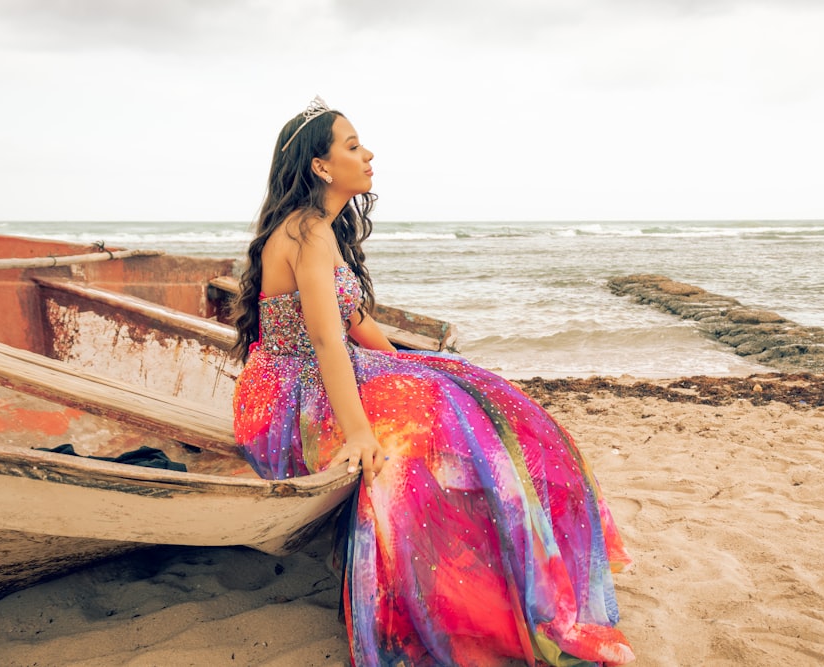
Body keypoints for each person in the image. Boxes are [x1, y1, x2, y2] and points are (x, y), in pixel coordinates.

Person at [231, 96, 635, 667]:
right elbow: (324, 341)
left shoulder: (322, 229)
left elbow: (354, 323)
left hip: (325, 371)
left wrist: (408, 363)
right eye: (352, 146)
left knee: (472, 388)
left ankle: (506, 570)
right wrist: (359, 434)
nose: (368, 154)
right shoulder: (305, 233)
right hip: (286, 395)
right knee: (414, 435)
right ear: (321, 166)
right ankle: (450, 600)